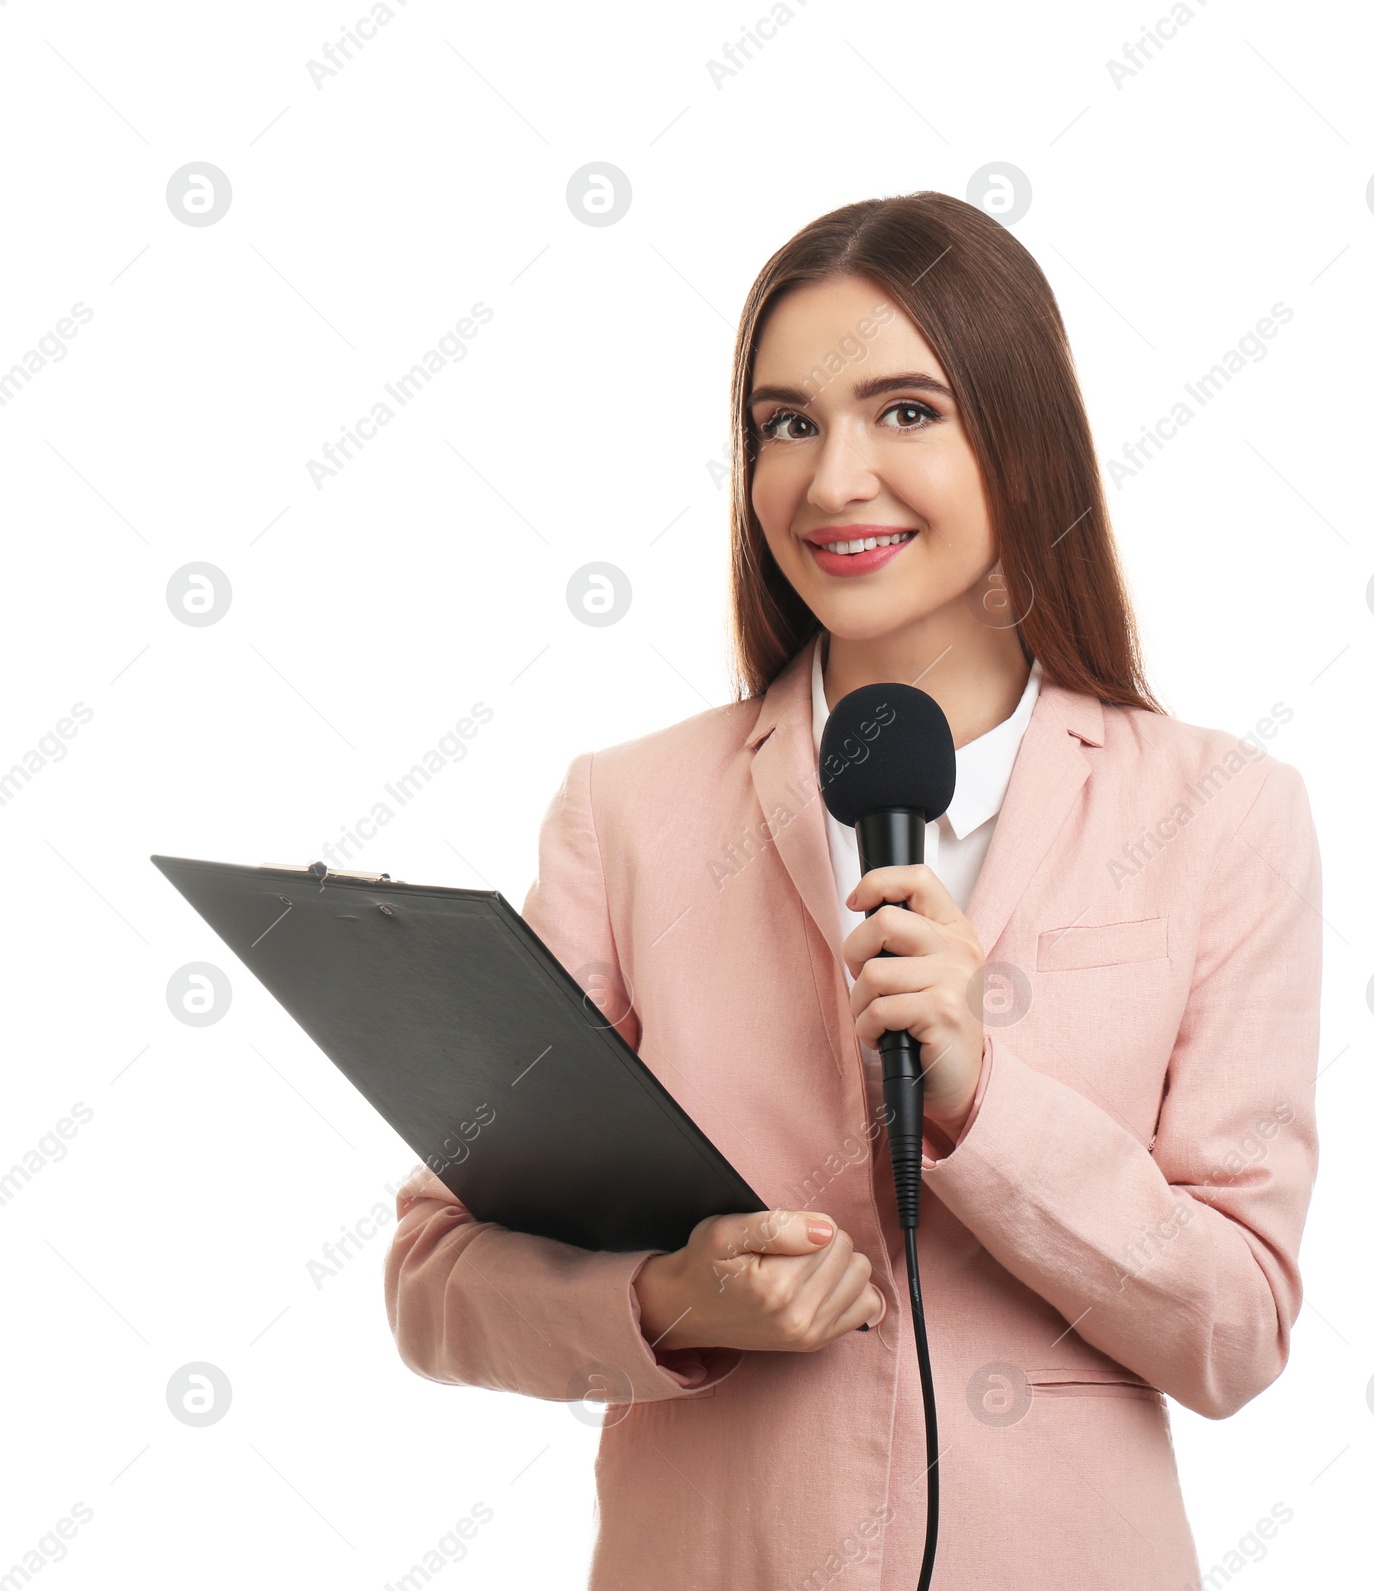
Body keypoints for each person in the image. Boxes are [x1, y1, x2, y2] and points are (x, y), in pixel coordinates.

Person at [384, 190, 1322, 1590]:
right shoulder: (629, 812)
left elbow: (1234, 1331)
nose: (831, 484)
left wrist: (985, 1100)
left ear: (1020, 439)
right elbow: (437, 1284)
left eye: (905, 411)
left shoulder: (1218, 815)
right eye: (786, 423)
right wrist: (672, 1298)